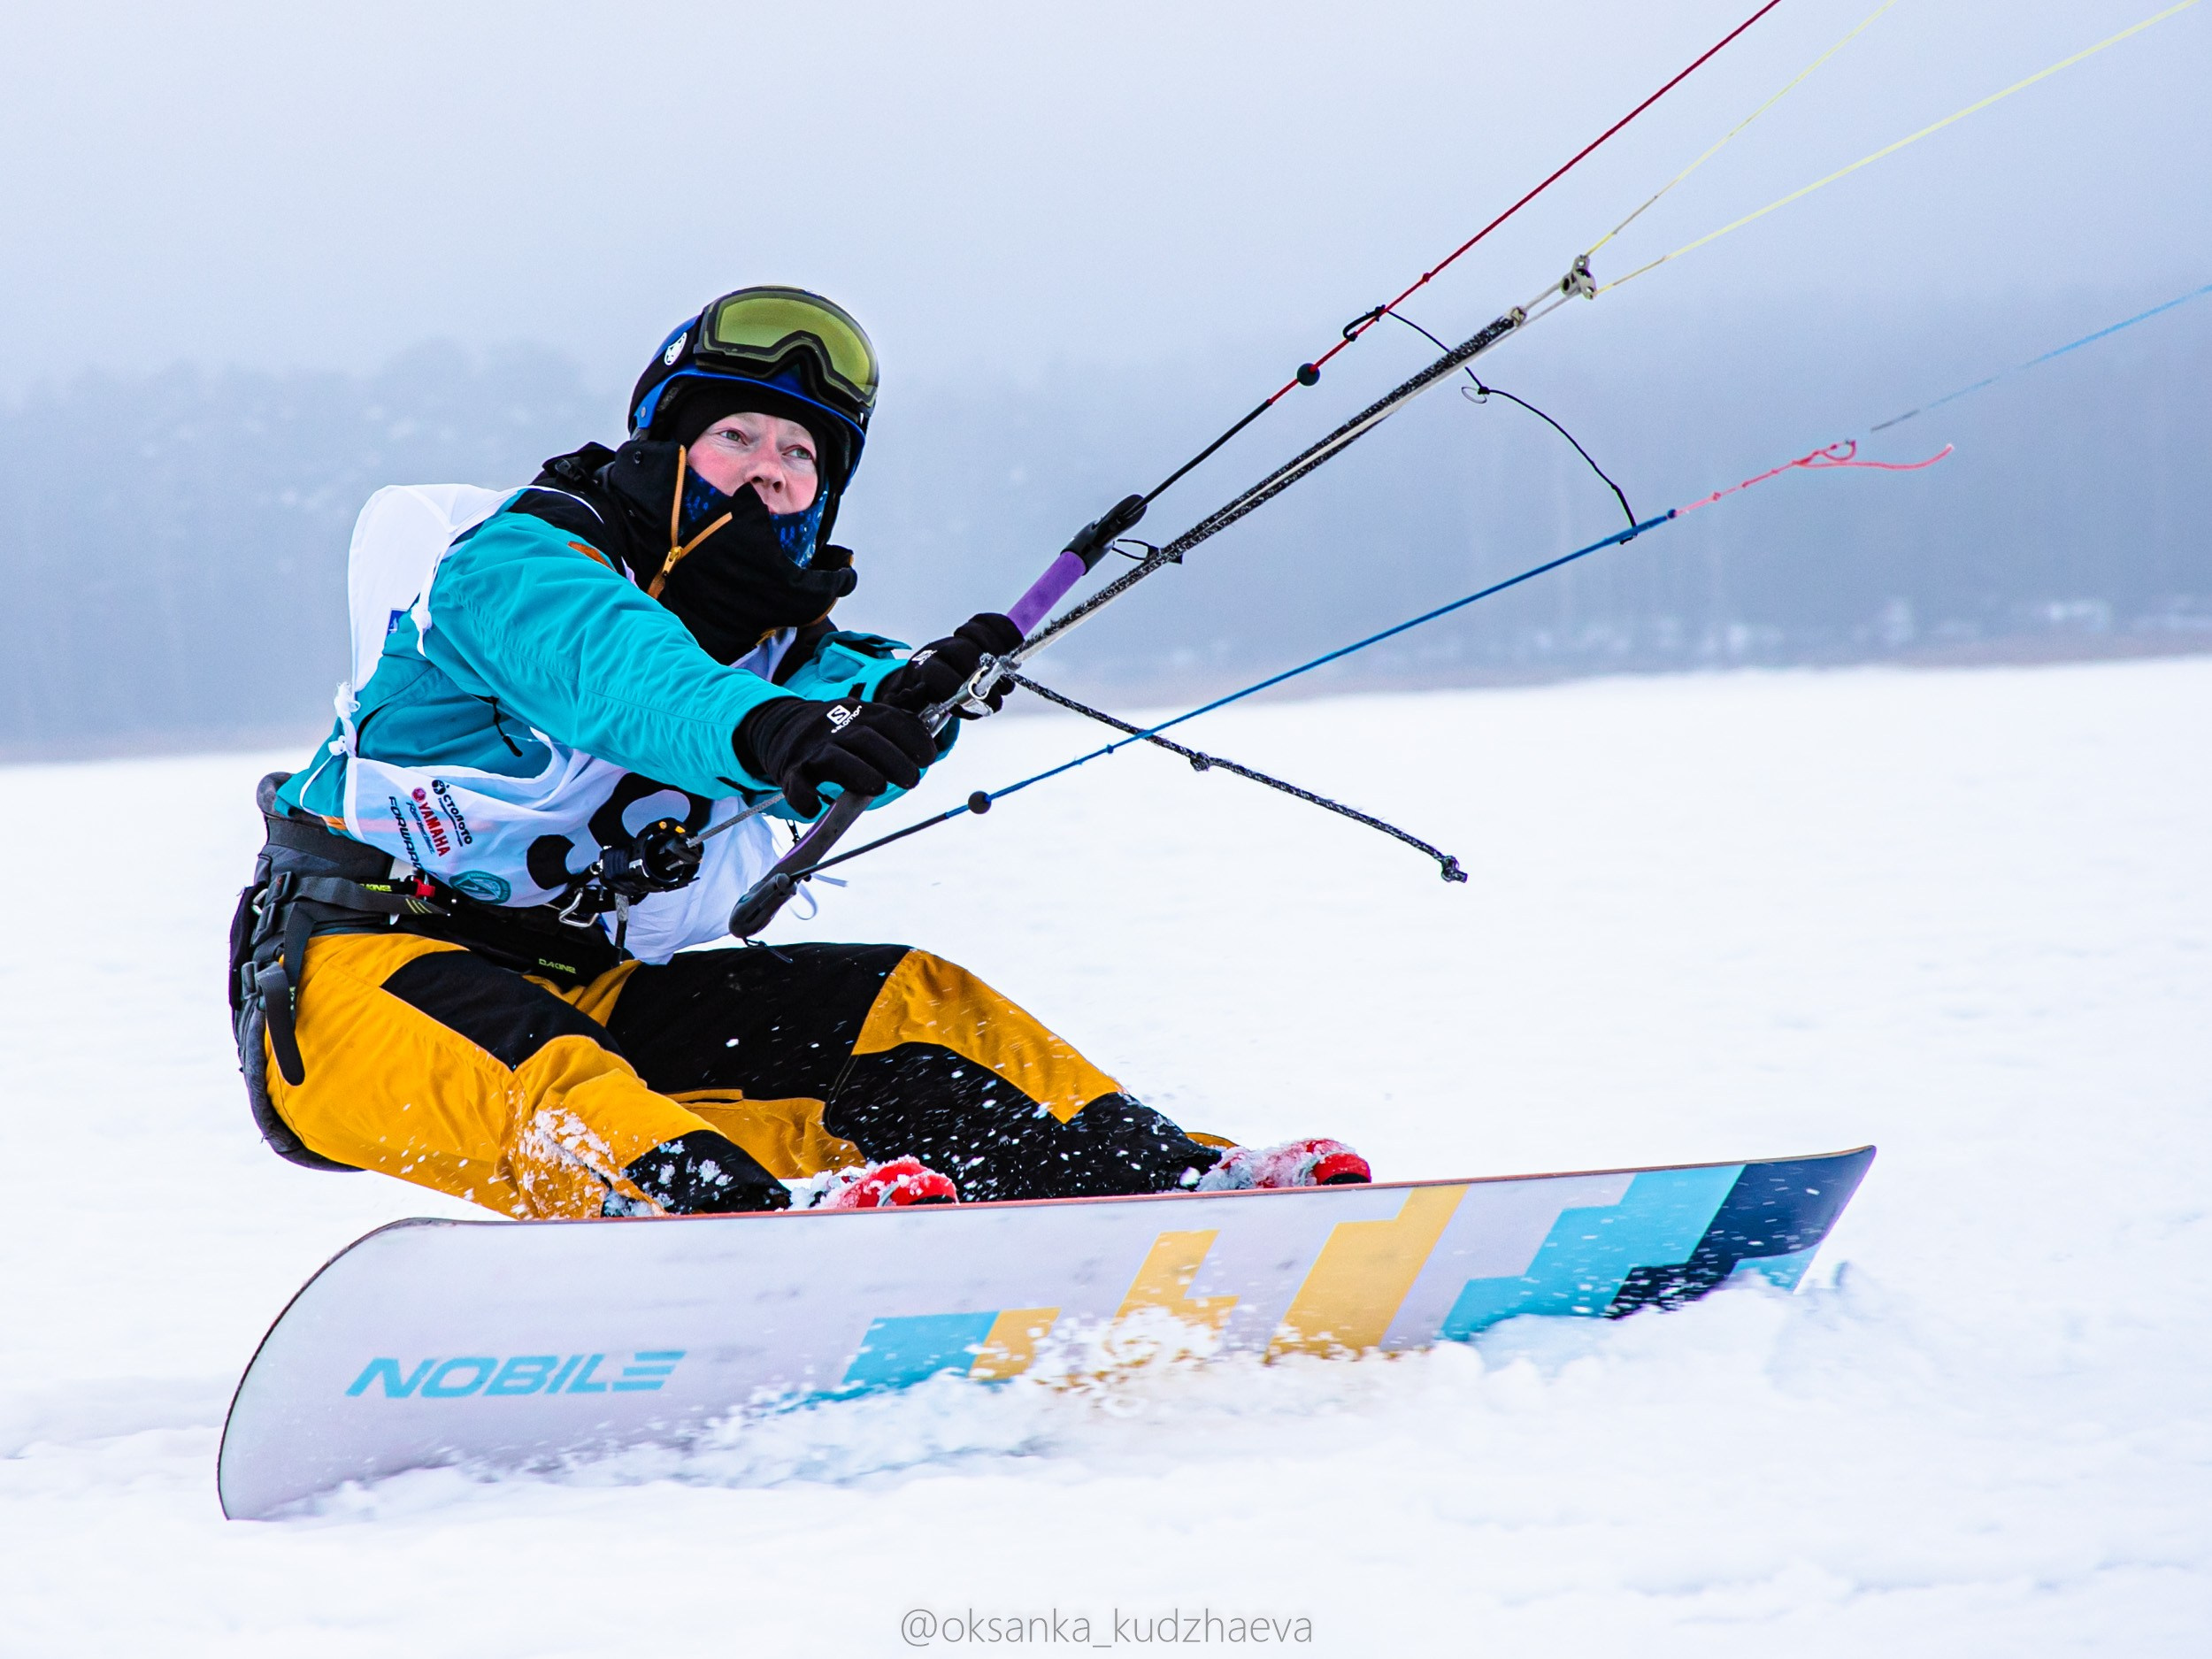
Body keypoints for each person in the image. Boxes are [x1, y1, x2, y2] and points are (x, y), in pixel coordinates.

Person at [228, 286, 1370, 1218]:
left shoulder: (787, 649)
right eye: (735, 434)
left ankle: (1168, 1190)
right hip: (352, 975)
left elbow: (851, 684)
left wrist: (913, 695)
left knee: (907, 1004)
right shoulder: (507, 570)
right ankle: (747, 1241)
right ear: (666, 447)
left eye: (800, 452)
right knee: (566, 1087)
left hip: (600, 988)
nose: (768, 465)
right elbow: (630, 677)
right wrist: (781, 736)